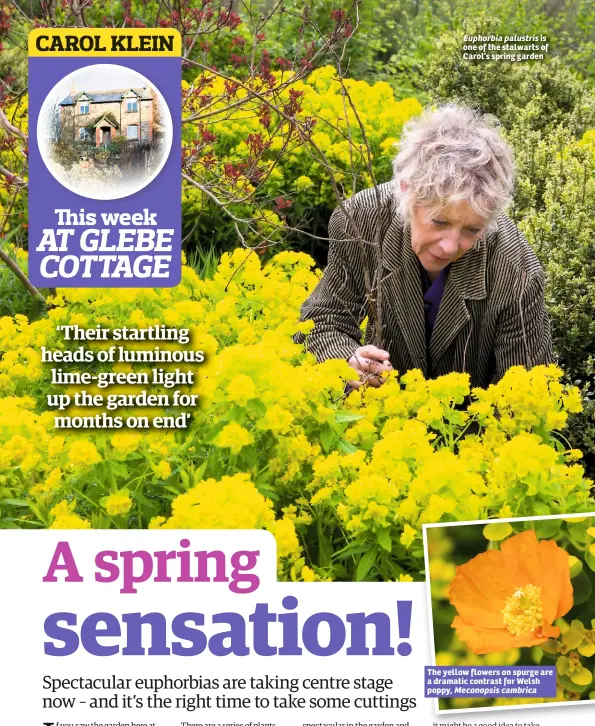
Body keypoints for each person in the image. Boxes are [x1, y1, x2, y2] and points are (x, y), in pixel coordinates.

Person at [295, 104, 554, 388]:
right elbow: (322, 320)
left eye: (471, 229)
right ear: (407, 191)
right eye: (439, 222)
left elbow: (527, 388)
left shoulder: (516, 269)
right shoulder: (360, 219)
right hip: (378, 415)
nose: (449, 247)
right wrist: (347, 361)